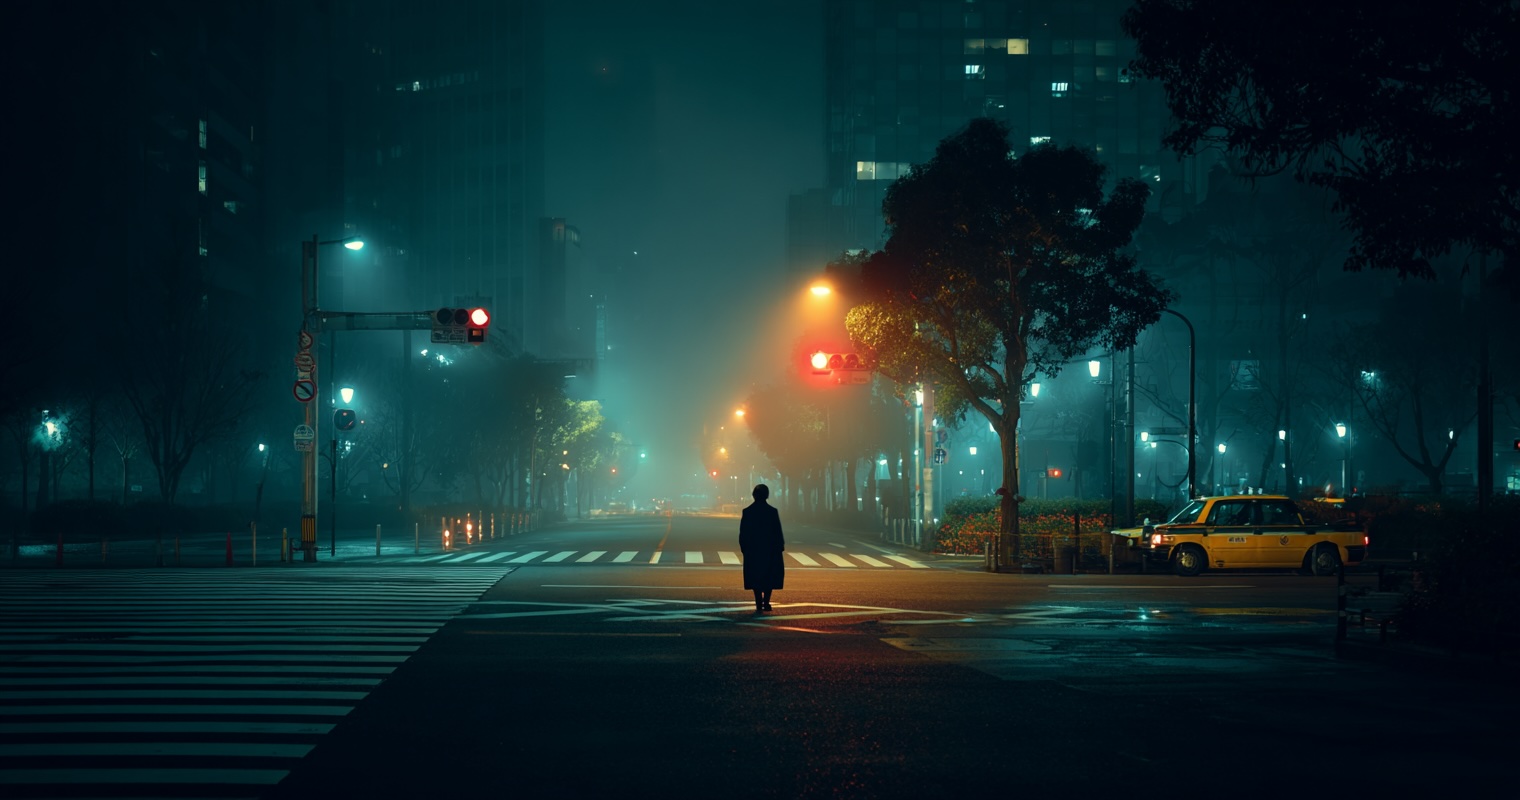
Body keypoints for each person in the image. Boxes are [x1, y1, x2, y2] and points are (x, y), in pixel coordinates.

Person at [739, 483, 784, 612]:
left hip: (753, 550)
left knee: (755, 576)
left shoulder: (747, 512)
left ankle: (758, 602)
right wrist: (779, 547)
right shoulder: (772, 512)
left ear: (754, 495)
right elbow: (777, 532)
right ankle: (766, 602)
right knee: (769, 576)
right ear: (767, 495)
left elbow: (743, 533)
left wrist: (744, 548)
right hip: (770, 549)